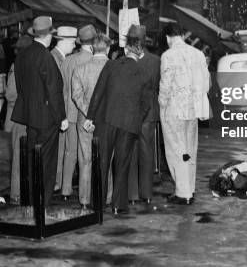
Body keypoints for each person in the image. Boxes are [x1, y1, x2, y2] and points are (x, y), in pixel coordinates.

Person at [84, 25, 151, 215]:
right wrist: (136, 119)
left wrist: (90, 116)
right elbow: (146, 104)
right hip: (129, 124)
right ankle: (118, 205)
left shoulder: (111, 65)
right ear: (141, 51)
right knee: (122, 164)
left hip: (107, 121)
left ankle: (97, 204)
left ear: (126, 48)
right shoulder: (145, 73)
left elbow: (98, 92)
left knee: (102, 162)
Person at [12, 16, 69, 207]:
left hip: (30, 116)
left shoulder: (23, 55)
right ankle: (42, 204)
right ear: (50, 36)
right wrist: (61, 117)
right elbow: (54, 90)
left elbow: (20, 86)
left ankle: (30, 202)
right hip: (47, 118)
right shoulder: (46, 57)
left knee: (31, 160)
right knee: (47, 163)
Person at [159, 23, 210, 205]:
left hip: (174, 109)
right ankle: (190, 188)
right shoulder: (198, 54)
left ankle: (182, 192)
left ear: (168, 38)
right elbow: (206, 84)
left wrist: (162, 105)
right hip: (193, 110)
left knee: (176, 150)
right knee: (189, 150)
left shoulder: (168, 56)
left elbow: (165, 86)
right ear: (182, 35)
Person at [71, 32, 111, 209]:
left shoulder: (80, 69)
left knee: (85, 158)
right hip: (107, 119)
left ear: (91, 47)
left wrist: (89, 114)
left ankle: (85, 200)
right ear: (108, 48)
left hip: (84, 120)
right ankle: (106, 197)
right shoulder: (114, 68)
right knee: (107, 158)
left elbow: (76, 95)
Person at [58, 24, 97, 201]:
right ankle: (85, 191)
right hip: (87, 112)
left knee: (70, 151)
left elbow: (63, 87)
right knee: (86, 154)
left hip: (69, 111)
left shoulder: (67, 60)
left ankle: (65, 190)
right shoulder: (93, 61)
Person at [129, 25, 161, 204]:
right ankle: (146, 194)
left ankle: (132, 195)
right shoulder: (155, 60)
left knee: (131, 153)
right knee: (147, 152)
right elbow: (157, 85)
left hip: (130, 113)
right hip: (149, 113)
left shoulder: (124, 59)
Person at [3, 34, 33, 205]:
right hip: (17, 117)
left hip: (26, 116)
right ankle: (16, 194)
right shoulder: (16, 66)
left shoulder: (26, 65)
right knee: (18, 157)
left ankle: (22, 192)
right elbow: (10, 94)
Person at [50, 26, 77, 191]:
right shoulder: (54, 59)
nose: (74, 46)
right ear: (65, 41)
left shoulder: (61, 58)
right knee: (57, 151)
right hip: (57, 114)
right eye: (73, 42)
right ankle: (54, 183)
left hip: (62, 113)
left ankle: (57, 183)